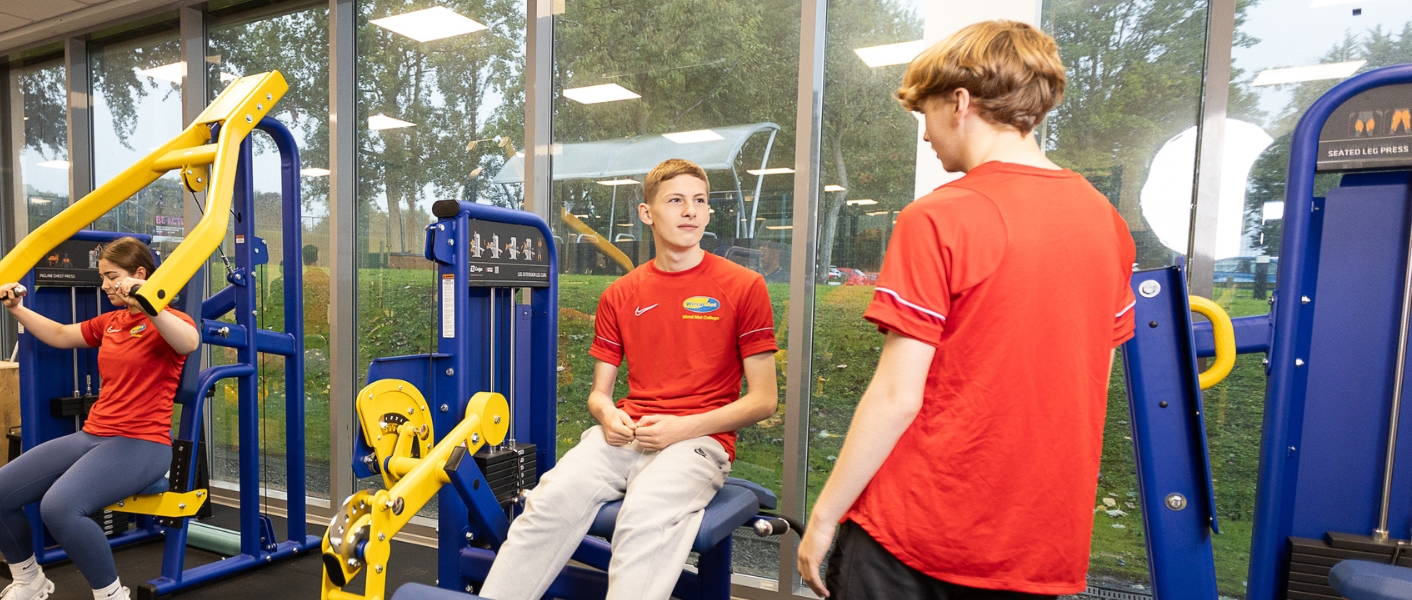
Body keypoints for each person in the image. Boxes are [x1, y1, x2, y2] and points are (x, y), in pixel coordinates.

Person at [794, 21, 1138, 600]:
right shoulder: (1107, 222)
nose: (926, 136)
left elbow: (897, 395)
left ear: (959, 102)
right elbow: (1090, 386)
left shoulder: (941, 215)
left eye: (924, 115)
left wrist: (824, 516)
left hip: (919, 531)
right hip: (1038, 545)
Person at [479, 158, 781, 600]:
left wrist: (682, 427)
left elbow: (764, 401)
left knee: (643, 517)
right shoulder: (620, 294)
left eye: (699, 202)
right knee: (546, 501)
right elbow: (599, 396)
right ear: (647, 213)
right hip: (628, 435)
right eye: (675, 200)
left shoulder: (744, 285)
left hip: (700, 440)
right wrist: (608, 415)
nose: (690, 211)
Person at [0, 236, 199, 600]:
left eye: (112, 277)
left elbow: (188, 342)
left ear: (138, 274)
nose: (105, 285)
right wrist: (16, 308)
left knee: (60, 507)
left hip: (143, 442)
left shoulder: (170, 319)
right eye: (103, 278)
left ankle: (111, 595)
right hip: (94, 434)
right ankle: (29, 580)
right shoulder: (112, 321)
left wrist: (150, 302)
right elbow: (62, 335)